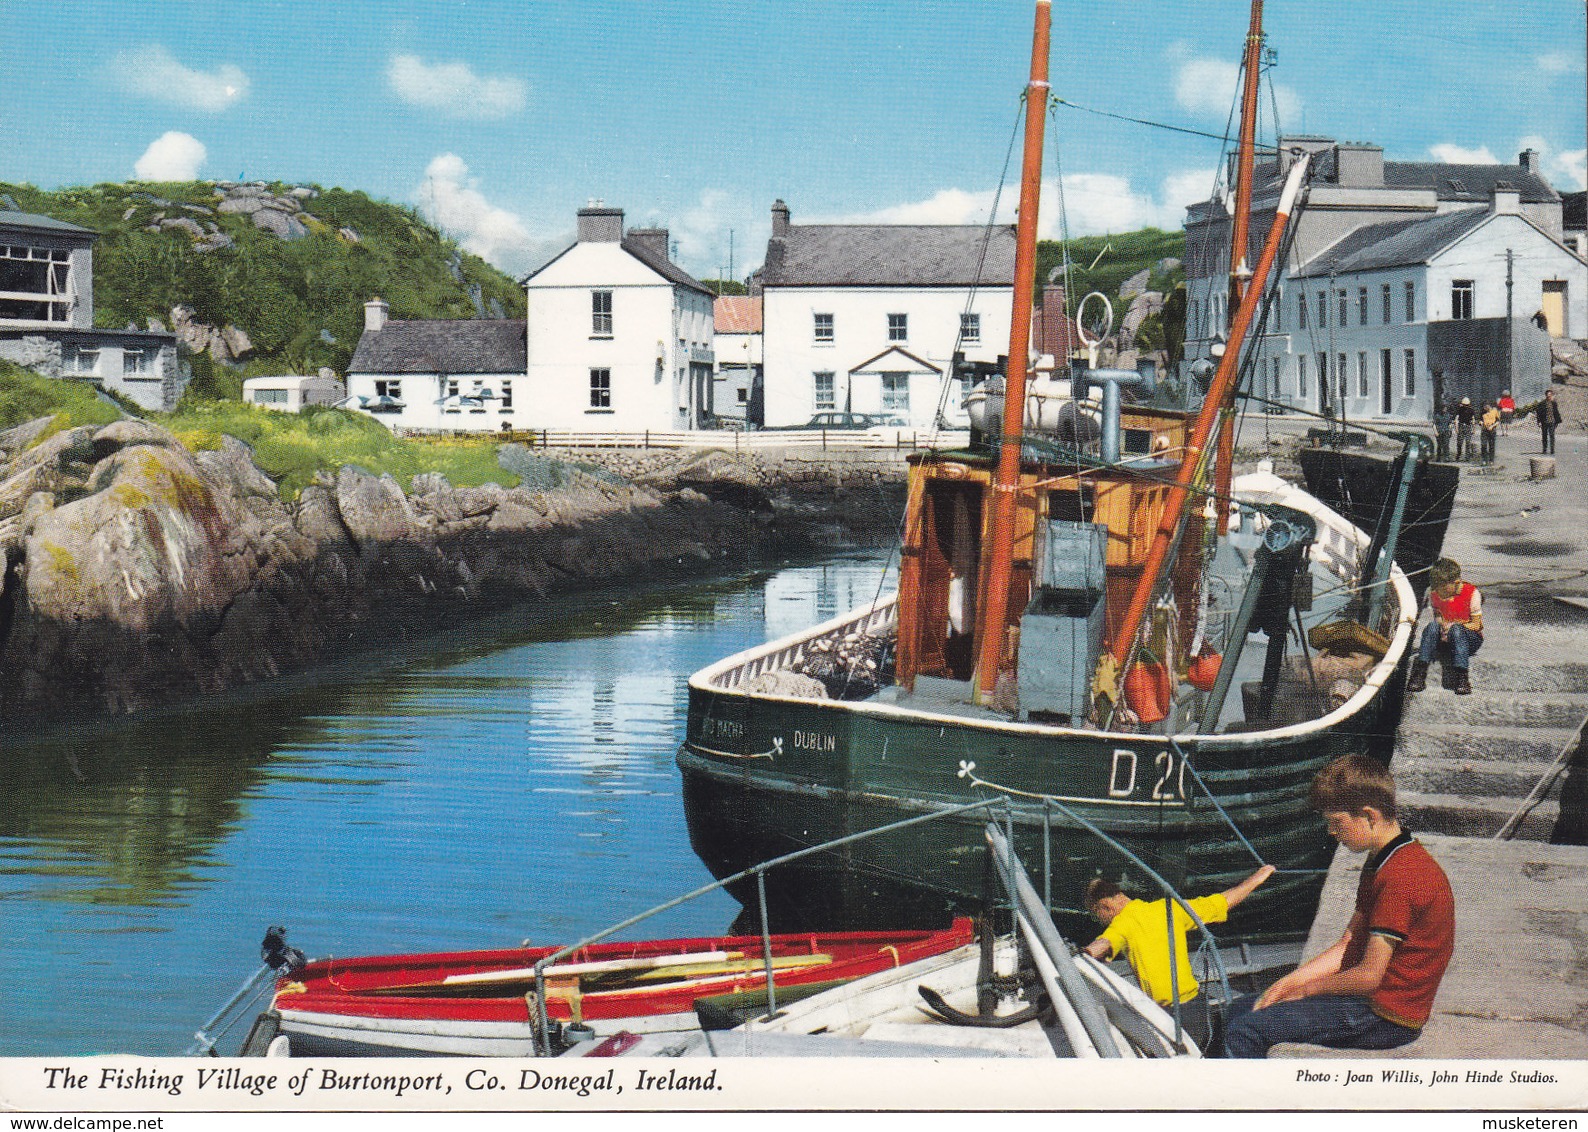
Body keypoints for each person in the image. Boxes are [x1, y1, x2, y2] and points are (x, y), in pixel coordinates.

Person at [1219, 755, 1454, 1058]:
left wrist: (1306, 990)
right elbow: (1349, 942)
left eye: (1337, 822)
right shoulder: (1383, 859)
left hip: (1386, 1016)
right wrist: (1288, 982)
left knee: (1246, 1030)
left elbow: (1371, 976)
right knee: (1239, 1008)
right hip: (1371, 1001)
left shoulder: (1402, 877)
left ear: (1369, 816)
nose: (1331, 832)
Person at [1083, 864, 1276, 1050]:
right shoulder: (1168, 908)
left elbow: (1104, 943)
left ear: (1105, 906)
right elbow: (1222, 901)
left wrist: (1083, 954)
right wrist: (1258, 878)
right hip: (1196, 1005)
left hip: (1169, 1015)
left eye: (1095, 914)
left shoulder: (1122, 924)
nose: (1099, 920)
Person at [1407, 557, 1482, 695]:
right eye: (1436, 587)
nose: (1439, 591)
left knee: (1457, 630)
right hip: (1446, 638)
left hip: (1468, 638)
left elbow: (1476, 625)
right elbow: (1438, 616)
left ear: (1456, 582)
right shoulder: (1435, 593)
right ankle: (1419, 673)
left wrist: (1455, 625)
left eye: (1443, 587)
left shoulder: (1472, 593)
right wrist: (1442, 626)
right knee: (1432, 626)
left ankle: (1461, 677)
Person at [1537, 388, 1562, 455]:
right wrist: (1539, 421)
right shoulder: (1542, 404)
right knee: (1544, 436)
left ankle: (1552, 450)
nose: (1549, 397)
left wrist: (1557, 421)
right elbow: (1539, 413)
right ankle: (1544, 450)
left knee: (1552, 436)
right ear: (1546, 396)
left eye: (1550, 395)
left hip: (1552, 422)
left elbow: (1556, 412)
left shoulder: (1554, 403)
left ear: (1552, 395)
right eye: (1548, 395)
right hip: (1544, 422)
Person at [1454, 396, 1476, 461]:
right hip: (1461, 426)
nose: (1465, 406)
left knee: (1468, 442)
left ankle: (1467, 457)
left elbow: (1473, 420)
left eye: (1466, 405)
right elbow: (1456, 419)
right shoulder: (1459, 409)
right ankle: (1459, 454)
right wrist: (1456, 428)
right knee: (1459, 442)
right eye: (1464, 405)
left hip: (1468, 426)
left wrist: (1474, 429)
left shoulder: (1471, 410)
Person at [1432, 398, 1453, 463]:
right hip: (1439, 432)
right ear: (1441, 407)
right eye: (1443, 407)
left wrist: (1450, 430)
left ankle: (1446, 457)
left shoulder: (1448, 415)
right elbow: (1434, 424)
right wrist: (1435, 432)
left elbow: (1450, 424)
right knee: (1439, 445)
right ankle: (1438, 458)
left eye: (1446, 407)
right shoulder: (1437, 415)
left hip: (1446, 432)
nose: (1445, 408)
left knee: (1446, 445)